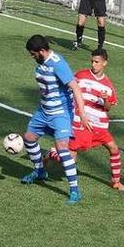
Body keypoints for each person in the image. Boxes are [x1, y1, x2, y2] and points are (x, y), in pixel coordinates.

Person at [21, 34, 91, 205]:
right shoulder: (43, 63)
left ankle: (75, 191)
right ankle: (39, 171)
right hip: (43, 111)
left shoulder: (58, 64)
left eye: (33, 54)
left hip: (60, 113)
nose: (32, 57)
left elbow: (75, 87)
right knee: (29, 138)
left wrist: (81, 113)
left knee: (62, 149)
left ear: (42, 51)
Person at [45, 48, 124, 192]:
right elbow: (68, 88)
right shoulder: (81, 76)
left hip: (100, 126)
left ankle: (116, 182)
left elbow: (108, 107)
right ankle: (52, 153)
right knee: (70, 160)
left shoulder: (108, 86)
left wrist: (105, 99)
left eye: (97, 62)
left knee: (114, 148)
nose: (94, 64)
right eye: (92, 61)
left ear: (105, 63)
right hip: (80, 123)